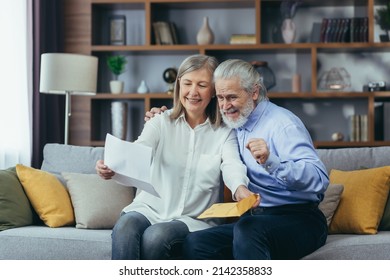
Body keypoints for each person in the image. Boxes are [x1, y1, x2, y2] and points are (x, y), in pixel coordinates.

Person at [145, 59, 330, 260]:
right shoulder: (235, 123)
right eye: (220, 98)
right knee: (196, 242)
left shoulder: (282, 124)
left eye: (232, 97)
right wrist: (162, 116)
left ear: (254, 92)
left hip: (300, 218)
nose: (225, 106)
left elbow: (320, 179)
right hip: (256, 219)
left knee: (248, 230)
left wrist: (272, 162)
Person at [95, 55, 252, 260]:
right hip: (149, 209)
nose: (193, 92)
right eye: (187, 83)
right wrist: (112, 166)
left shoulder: (224, 132)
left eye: (202, 85)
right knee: (125, 226)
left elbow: (232, 164)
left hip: (193, 218)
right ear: (179, 85)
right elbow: (139, 149)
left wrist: (240, 188)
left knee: (156, 236)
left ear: (213, 90)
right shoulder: (160, 121)